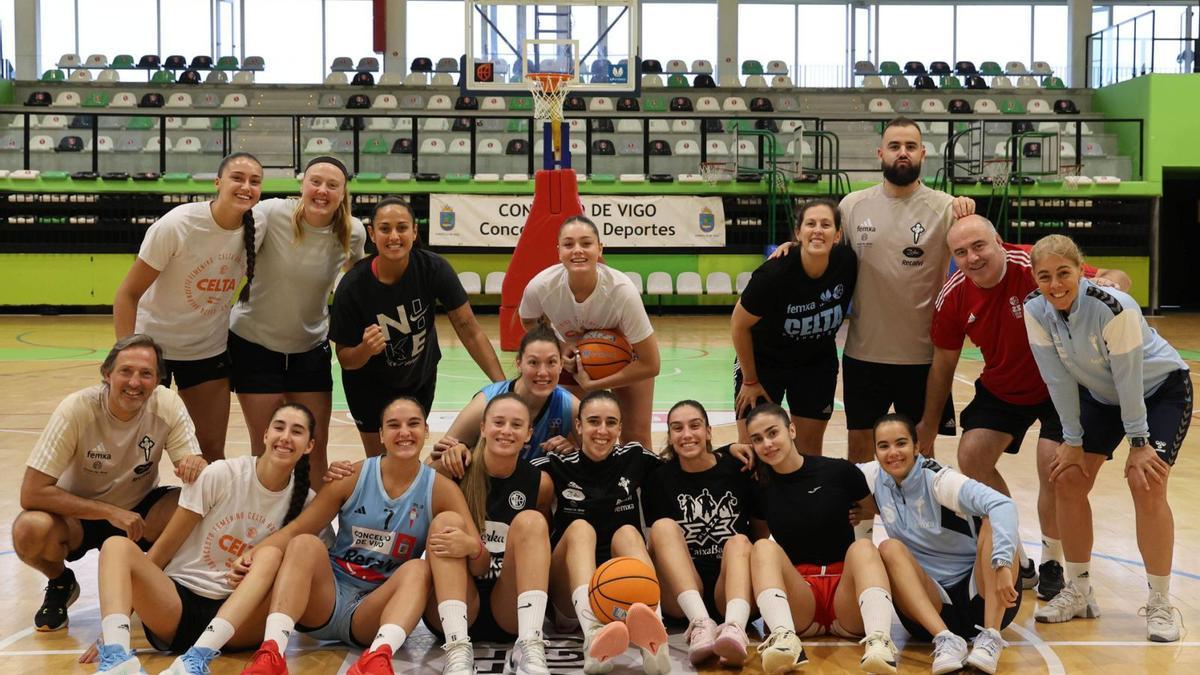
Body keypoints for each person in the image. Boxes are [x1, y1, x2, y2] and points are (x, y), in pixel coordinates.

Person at [918, 215, 1130, 600]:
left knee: (1054, 464)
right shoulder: (953, 295)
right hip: (1003, 387)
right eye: (960, 252)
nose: (972, 258)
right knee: (972, 455)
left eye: (979, 246)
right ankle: (1016, 555)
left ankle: (1051, 560)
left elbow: (1118, 275)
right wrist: (928, 426)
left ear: (998, 241)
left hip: (1061, 384)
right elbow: (943, 365)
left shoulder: (1032, 265)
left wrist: (1108, 283)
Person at [229, 396, 480, 675]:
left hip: (373, 612)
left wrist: (470, 546)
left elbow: (479, 563)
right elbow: (298, 528)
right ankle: (272, 653)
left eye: (413, 424)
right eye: (394, 425)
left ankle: (377, 658)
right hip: (326, 600)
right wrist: (254, 552)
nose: (404, 432)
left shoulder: (441, 490)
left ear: (426, 430)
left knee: (418, 569)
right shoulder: (353, 474)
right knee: (304, 543)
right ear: (382, 435)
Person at [774, 118, 975, 463]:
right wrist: (794, 248)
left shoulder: (945, 208)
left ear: (923, 154)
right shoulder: (853, 205)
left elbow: (977, 248)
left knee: (922, 452)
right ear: (880, 153)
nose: (902, 153)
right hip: (864, 355)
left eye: (910, 147)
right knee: (860, 454)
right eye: (895, 146)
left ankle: (917, 519)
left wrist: (968, 212)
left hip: (924, 357)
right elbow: (825, 249)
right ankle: (864, 520)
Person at [1024, 234, 1190, 642]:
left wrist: (1139, 442)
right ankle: (1079, 589)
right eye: (1044, 276)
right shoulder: (1035, 310)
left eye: (1064, 273)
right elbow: (1058, 380)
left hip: (1158, 391)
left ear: (1082, 271)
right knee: (1066, 476)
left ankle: (1161, 602)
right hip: (1100, 396)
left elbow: (1129, 378)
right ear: (1035, 279)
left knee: (1145, 481)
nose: (1055, 284)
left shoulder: (1114, 308)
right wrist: (1073, 440)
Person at [91, 403, 317, 674]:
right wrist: (113, 626)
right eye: (279, 427)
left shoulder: (308, 504)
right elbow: (162, 551)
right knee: (116, 546)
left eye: (297, 431)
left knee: (270, 556)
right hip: (177, 609)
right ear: (266, 434)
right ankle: (117, 657)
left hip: (240, 622)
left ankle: (197, 658)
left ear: (309, 446)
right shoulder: (222, 474)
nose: (285, 437)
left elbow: (302, 578)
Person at [12, 334, 205, 632]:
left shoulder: (166, 403)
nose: (134, 382)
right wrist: (108, 512)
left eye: (146, 374)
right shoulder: (77, 409)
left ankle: (164, 584)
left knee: (194, 509)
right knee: (29, 530)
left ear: (157, 381)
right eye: (126, 371)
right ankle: (61, 582)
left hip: (140, 510)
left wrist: (196, 465)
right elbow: (32, 491)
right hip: (78, 515)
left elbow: (192, 467)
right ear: (107, 374)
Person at [113, 152, 266, 462]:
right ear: (218, 182)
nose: (246, 187)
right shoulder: (177, 225)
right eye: (237, 178)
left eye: (255, 181)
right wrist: (126, 356)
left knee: (210, 451)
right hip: (153, 350)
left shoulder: (259, 225)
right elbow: (127, 294)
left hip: (207, 352)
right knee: (135, 452)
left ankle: (205, 510)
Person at [330, 198, 505, 456]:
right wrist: (366, 349)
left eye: (402, 228)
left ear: (414, 231)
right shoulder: (352, 286)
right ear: (372, 234)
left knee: (408, 455)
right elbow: (346, 359)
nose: (394, 236)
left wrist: (502, 388)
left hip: (418, 380)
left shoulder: (433, 268)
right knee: (380, 463)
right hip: (368, 387)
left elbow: (469, 328)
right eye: (385, 228)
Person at [229, 155, 367, 483]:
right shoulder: (271, 213)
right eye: (315, 182)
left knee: (315, 447)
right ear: (301, 184)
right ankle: (265, 524)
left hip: (310, 347)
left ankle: (316, 528)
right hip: (254, 343)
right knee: (266, 446)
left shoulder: (353, 232)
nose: (322, 191)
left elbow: (359, 286)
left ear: (344, 192)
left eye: (332, 185)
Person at [744, 404, 898, 675]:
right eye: (757, 439)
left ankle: (879, 642)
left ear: (791, 429)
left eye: (772, 433)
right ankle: (784, 637)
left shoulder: (838, 471)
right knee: (763, 547)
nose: (767, 444)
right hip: (800, 598)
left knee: (862, 546)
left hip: (846, 595)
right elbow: (762, 554)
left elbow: (874, 510)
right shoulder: (761, 489)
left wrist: (865, 512)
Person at [866, 414, 1021, 675]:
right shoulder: (872, 477)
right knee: (888, 547)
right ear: (875, 452)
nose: (893, 453)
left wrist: (1003, 562)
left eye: (901, 443)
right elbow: (827, 475)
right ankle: (945, 639)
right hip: (931, 606)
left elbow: (1002, 504)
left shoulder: (939, 480)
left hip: (983, 596)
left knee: (991, 520)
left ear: (917, 447)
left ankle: (990, 638)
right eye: (884, 446)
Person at [530, 390, 670, 675]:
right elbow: (501, 472)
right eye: (593, 421)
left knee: (628, 532)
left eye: (610, 423)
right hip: (568, 597)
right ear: (578, 426)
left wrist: (726, 453)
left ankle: (655, 638)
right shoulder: (555, 464)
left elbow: (684, 467)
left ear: (620, 428)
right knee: (580, 529)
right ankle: (593, 635)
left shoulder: (634, 457)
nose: (602, 431)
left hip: (621, 595)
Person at [433, 393, 556, 675]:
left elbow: (537, 548)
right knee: (445, 520)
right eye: (498, 422)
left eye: (516, 425)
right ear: (483, 428)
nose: (506, 431)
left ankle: (529, 643)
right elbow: (412, 488)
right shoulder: (453, 469)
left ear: (529, 434)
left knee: (532, 521)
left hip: (508, 608)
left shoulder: (540, 484)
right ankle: (457, 649)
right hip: (459, 597)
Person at [519, 215, 661, 448]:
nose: (577, 251)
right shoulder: (541, 286)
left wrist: (594, 385)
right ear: (558, 251)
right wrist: (561, 345)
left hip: (625, 358)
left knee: (636, 438)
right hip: (574, 360)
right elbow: (529, 321)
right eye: (568, 244)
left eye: (586, 243)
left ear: (599, 248)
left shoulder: (621, 291)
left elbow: (651, 364)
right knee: (570, 436)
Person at [732, 198, 856, 455]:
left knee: (809, 452)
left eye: (825, 224)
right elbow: (738, 325)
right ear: (798, 233)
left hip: (815, 364)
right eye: (810, 224)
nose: (818, 230)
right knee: (752, 451)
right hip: (763, 363)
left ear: (837, 235)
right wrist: (750, 379)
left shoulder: (848, 263)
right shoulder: (773, 275)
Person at [642, 400, 757, 667]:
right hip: (681, 595)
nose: (687, 434)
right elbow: (655, 544)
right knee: (662, 527)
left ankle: (734, 630)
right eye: (677, 428)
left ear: (708, 431)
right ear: (669, 436)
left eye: (695, 426)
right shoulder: (658, 480)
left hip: (729, 590)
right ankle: (700, 623)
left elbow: (760, 537)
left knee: (740, 541)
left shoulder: (738, 469)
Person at [433, 324, 579, 469]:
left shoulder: (569, 406)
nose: (542, 372)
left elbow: (596, 464)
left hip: (537, 487)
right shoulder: (486, 403)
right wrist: (456, 452)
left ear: (561, 365)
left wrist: (574, 454)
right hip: (487, 485)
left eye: (551, 362)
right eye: (533, 362)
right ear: (519, 363)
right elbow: (433, 464)